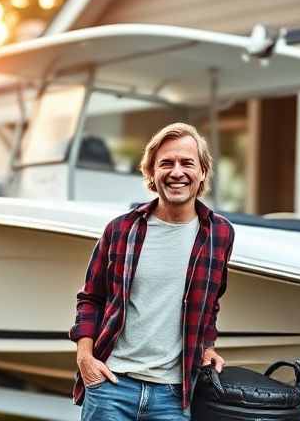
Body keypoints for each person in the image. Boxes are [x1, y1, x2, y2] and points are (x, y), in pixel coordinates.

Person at [69, 122, 235, 420]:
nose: (176, 172)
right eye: (166, 163)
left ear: (202, 173)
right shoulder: (121, 229)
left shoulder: (219, 233)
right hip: (111, 385)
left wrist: (207, 347)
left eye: (187, 163)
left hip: (174, 395)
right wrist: (84, 357)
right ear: (151, 173)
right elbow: (91, 298)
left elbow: (210, 303)